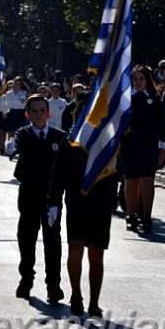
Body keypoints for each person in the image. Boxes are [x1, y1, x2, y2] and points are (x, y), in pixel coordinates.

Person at [47, 135, 118, 318]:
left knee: (96, 254)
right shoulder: (69, 142)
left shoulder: (109, 140)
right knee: (76, 249)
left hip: (101, 205)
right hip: (77, 202)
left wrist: (112, 201)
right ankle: (76, 295)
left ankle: (94, 303)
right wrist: (53, 202)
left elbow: (118, 171)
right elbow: (58, 174)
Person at [13, 95, 66, 303]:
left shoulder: (60, 137)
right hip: (29, 194)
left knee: (52, 242)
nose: (38, 114)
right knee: (26, 239)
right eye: (34, 111)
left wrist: (56, 200)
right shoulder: (23, 134)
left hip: (52, 197)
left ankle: (53, 286)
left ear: (49, 113)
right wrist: (11, 147)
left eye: (42, 110)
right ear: (28, 114)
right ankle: (26, 279)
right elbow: (17, 144)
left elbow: (66, 168)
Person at [121, 65, 165, 233]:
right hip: (129, 146)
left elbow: (162, 126)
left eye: (142, 79)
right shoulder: (124, 99)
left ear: (147, 80)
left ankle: (147, 216)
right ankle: (131, 215)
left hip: (149, 146)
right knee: (131, 181)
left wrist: (163, 149)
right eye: (135, 79)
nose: (138, 82)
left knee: (147, 181)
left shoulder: (155, 100)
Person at [0, 76, 29, 148]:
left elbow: (23, 99)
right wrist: (4, 112)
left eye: (18, 84)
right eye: (15, 83)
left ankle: (18, 146)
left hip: (20, 113)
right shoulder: (8, 93)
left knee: (19, 131)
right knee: (10, 132)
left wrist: (23, 100)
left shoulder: (23, 92)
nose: (16, 85)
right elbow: (5, 104)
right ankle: (10, 147)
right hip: (11, 113)